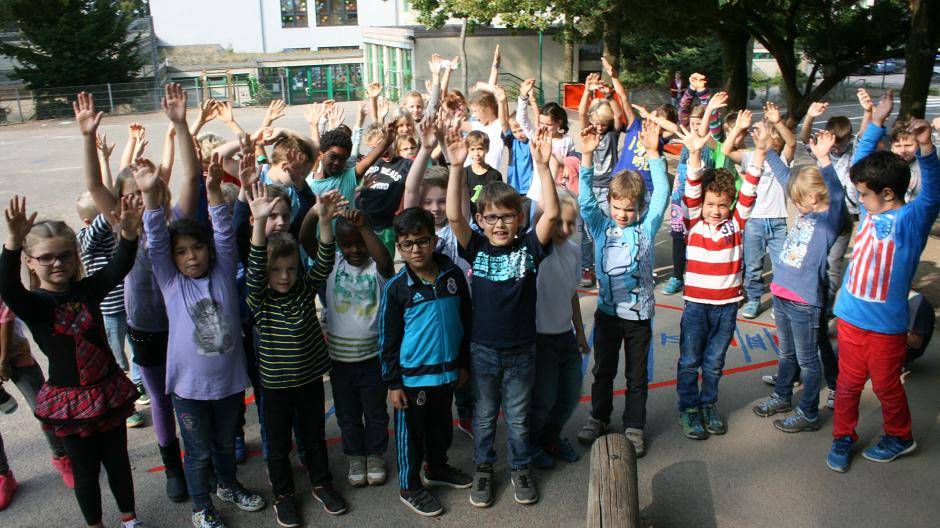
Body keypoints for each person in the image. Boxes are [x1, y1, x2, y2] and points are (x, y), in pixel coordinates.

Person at [77, 86, 199, 504]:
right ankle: (174, 467)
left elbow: (193, 177)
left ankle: (204, 459)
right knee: (161, 402)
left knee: (190, 398)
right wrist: (87, 139)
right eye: (125, 192)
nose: (132, 198)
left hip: (183, 323)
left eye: (142, 188)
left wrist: (181, 126)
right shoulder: (120, 224)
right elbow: (94, 183)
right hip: (145, 325)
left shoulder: (174, 216)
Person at [0, 194, 146, 528]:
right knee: (85, 473)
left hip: (108, 392)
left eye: (65, 255)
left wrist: (128, 234)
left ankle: (130, 519)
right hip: (70, 402)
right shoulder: (35, 305)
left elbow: (117, 267)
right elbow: (8, 288)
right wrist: (11, 243)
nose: (57, 263)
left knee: (119, 463)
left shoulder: (87, 290)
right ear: (30, 262)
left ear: (75, 256)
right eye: (46, 257)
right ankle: (95, 524)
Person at [138, 154, 265, 528]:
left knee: (226, 445)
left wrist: (213, 192)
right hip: (190, 389)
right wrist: (149, 196)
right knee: (196, 454)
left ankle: (228, 486)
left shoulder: (224, 272)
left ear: (208, 249)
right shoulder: (171, 281)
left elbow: (225, 231)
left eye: (197, 248)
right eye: (182, 252)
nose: (191, 256)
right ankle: (201, 506)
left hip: (227, 384)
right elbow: (157, 240)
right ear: (172, 259)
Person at [446, 119, 559, 507]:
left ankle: (520, 467)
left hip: (522, 350)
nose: (499, 223)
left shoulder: (528, 248)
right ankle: (483, 468)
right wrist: (457, 168)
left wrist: (543, 167)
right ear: (482, 221)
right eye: (491, 217)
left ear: (519, 218)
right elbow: (454, 218)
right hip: (483, 350)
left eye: (507, 216)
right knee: (483, 416)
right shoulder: (476, 247)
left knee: (519, 416)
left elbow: (552, 215)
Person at [826, 94, 939, 473]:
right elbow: (861, 166)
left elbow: (933, 194)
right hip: (850, 318)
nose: (859, 199)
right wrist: (875, 120)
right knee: (848, 385)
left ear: (887, 194)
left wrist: (926, 146)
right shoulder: (871, 208)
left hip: (885, 327)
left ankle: (900, 436)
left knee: (888, 386)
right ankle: (843, 436)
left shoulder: (910, 220)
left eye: (863, 195)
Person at [247, 183, 348, 526]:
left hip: (309, 383)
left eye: (290, 268)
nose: (284, 276)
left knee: (314, 438)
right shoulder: (260, 301)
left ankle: (322, 483)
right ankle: (284, 495)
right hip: (275, 388)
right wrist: (260, 225)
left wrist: (323, 220)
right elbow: (256, 266)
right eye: (276, 270)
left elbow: (324, 259)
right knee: (276, 446)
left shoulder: (304, 289)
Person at [575, 121, 669, 457]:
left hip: (639, 318)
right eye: (617, 208)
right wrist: (586, 157)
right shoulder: (601, 227)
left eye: (629, 209)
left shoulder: (646, 227)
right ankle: (599, 417)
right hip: (608, 315)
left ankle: (634, 425)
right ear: (610, 204)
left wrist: (655, 154)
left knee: (636, 376)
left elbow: (662, 194)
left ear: (639, 208)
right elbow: (586, 203)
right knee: (603, 370)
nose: (623, 214)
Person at [379, 207, 474, 517]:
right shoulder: (397, 287)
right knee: (412, 436)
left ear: (434, 240)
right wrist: (393, 383)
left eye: (422, 241)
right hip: (412, 380)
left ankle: (437, 468)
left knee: (441, 428)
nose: (416, 249)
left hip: (446, 373)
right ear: (399, 247)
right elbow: (388, 340)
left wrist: (462, 363)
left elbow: (465, 321)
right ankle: (410, 486)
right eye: (407, 244)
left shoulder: (453, 276)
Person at [751, 128, 844, 433]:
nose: (795, 204)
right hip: (782, 293)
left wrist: (824, 159)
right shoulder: (804, 214)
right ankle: (782, 395)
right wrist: (767, 150)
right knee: (787, 354)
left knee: (807, 361)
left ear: (814, 197)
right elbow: (785, 176)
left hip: (804, 302)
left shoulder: (827, 221)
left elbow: (838, 196)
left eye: (799, 200)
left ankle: (808, 413)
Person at [677, 122, 760, 440]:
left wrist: (761, 151)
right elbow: (692, 190)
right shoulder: (693, 222)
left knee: (713, 362)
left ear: (730, 204)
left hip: (725, 306)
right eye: (710, 204)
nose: (715, 210)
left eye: (722, 205)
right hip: (697, 305)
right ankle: (688, 408)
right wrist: (695, 153)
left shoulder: (736, 224)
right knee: (689, 361)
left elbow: (750, 188)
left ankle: (708, 404)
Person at [324, 208, 394, 490]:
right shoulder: (332, 266)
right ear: (339, 245)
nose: (355, 249)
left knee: (376, 413)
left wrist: (365, 227)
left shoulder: (375, 268)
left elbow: (386, 261)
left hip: (372, 360)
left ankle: (375, 455)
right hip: (339, 362)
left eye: (360, 242)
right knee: (348, 415)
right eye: (347, 244)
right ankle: (355, 456)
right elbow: (305, 238)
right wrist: (319, 214)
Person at [528, 187, 591, 469]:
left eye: (571, 222)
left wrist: (579, 330)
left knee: (569, 393)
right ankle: (532, 443)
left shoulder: (574, 251)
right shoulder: (535, 249)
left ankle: (551, 437)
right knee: (543, 398)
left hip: (564, 336)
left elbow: (571, 293)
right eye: (559, 222)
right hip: (539, 339)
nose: (565, 229)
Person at [74, 193, 147, 428]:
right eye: (104, 217)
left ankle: (138, 384)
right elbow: (102, 223)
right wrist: (108, 210)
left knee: (136, 345)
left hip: (128, 304)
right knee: (116, 357)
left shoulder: (113, 235)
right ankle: (126, 401)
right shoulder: (86, 239)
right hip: (110, 310)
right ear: (89, 222)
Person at [722, 104, 797, 319]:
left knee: (781, 264)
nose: (769, 141)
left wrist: (778, 122)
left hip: (778, 220)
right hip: (753, 220)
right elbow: (726, 150)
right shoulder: (749, 157)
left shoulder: (782, 159)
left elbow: (791, 141)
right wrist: (737, 128)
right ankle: (754, 299)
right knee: (753, 265)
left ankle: (781, 301)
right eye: (765, 136)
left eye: (773, 138)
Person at [0, 298, 74, 489]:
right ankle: (3, 476)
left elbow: (5, 315)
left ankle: (63, 457)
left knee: (43, 408)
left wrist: (3, 360)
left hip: (14, 352)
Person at [799, 101, 860, 319]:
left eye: (842, 143)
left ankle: (824, 311)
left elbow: (866, 136)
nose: (837, 148)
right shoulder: (823, 149)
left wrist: (870, 112)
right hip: (820, 213)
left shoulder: (855, 152)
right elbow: (805, 138)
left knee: (833, 264)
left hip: (844, 215)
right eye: (835, 143)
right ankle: (807, 300)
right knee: (812, 258)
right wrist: (810, 116)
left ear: (849, 138)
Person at [577, 70, 625, 288]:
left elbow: (618, 115)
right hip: (590, 185)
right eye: (597, 122)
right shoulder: (588, 131)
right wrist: (587, 91)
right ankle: (588, 268)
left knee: (606, 229)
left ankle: (606, 266)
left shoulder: (612, 134)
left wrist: (609, 95)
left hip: (607, 187)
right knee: (586, 231)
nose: (599, 127)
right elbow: (580, 114)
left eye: (603, 124)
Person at [464, 131, 503, 219]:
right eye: (472, 149)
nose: (477, 154)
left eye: (480, 149)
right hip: (468, 218)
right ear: (467, 150)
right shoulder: (464, 173)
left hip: (487, 218)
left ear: (487, 149)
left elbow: (497, 200)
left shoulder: (495, 175)